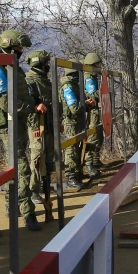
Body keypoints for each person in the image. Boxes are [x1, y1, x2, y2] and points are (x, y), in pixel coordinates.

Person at [0, 29, 40, 231]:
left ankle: (12, 206)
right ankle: (28, 212)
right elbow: (4, 101)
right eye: (18, 48)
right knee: (21, 167)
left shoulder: (15, 68)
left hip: (19, 123)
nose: (20, 51)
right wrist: (30, 107)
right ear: (8, 47)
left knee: (15, 166)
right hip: (8, 125)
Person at [24, 49, 55, 206]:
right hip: (37, 125)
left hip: (49, 124)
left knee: (48, 157)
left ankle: (45, 184)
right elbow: (29, 105)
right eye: (46, 63)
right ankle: (33, 190)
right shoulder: (30, 80)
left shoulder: (45, 80)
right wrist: (34, 125)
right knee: (37, 158)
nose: (48, 66)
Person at [59, 60, 88, 190]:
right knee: (71, 149)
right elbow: (74, 108)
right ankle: (71, 177)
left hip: (77, 121)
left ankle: (76, 174)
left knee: (76, 148)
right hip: (71, 122)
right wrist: (86, 104)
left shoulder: (73, 85)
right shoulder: (68, 87)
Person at [82, 51, 105, 176]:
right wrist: (104, 94)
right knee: (93, 136)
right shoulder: (88, 78)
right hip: (92, 112)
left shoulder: (92, 77)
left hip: (96, 110)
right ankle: (89, 163)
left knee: (98, 135)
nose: (99, 67)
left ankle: (95, 159)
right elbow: (94, 94)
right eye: (97, 64)